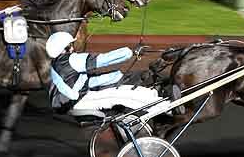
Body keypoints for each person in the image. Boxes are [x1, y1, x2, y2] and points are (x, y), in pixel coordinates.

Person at [46, 31, 174, 114]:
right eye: (70, 45)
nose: (73, 48)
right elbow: (104, 59)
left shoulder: (56, 64)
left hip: (76, 100)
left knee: (124, 89)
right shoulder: (72, 59)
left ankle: (156, 96)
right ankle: (166, 109)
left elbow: (84, 81)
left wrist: (116, 77)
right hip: (80, 101)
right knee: (120, 96)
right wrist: (132, 52)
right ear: (65, 48)